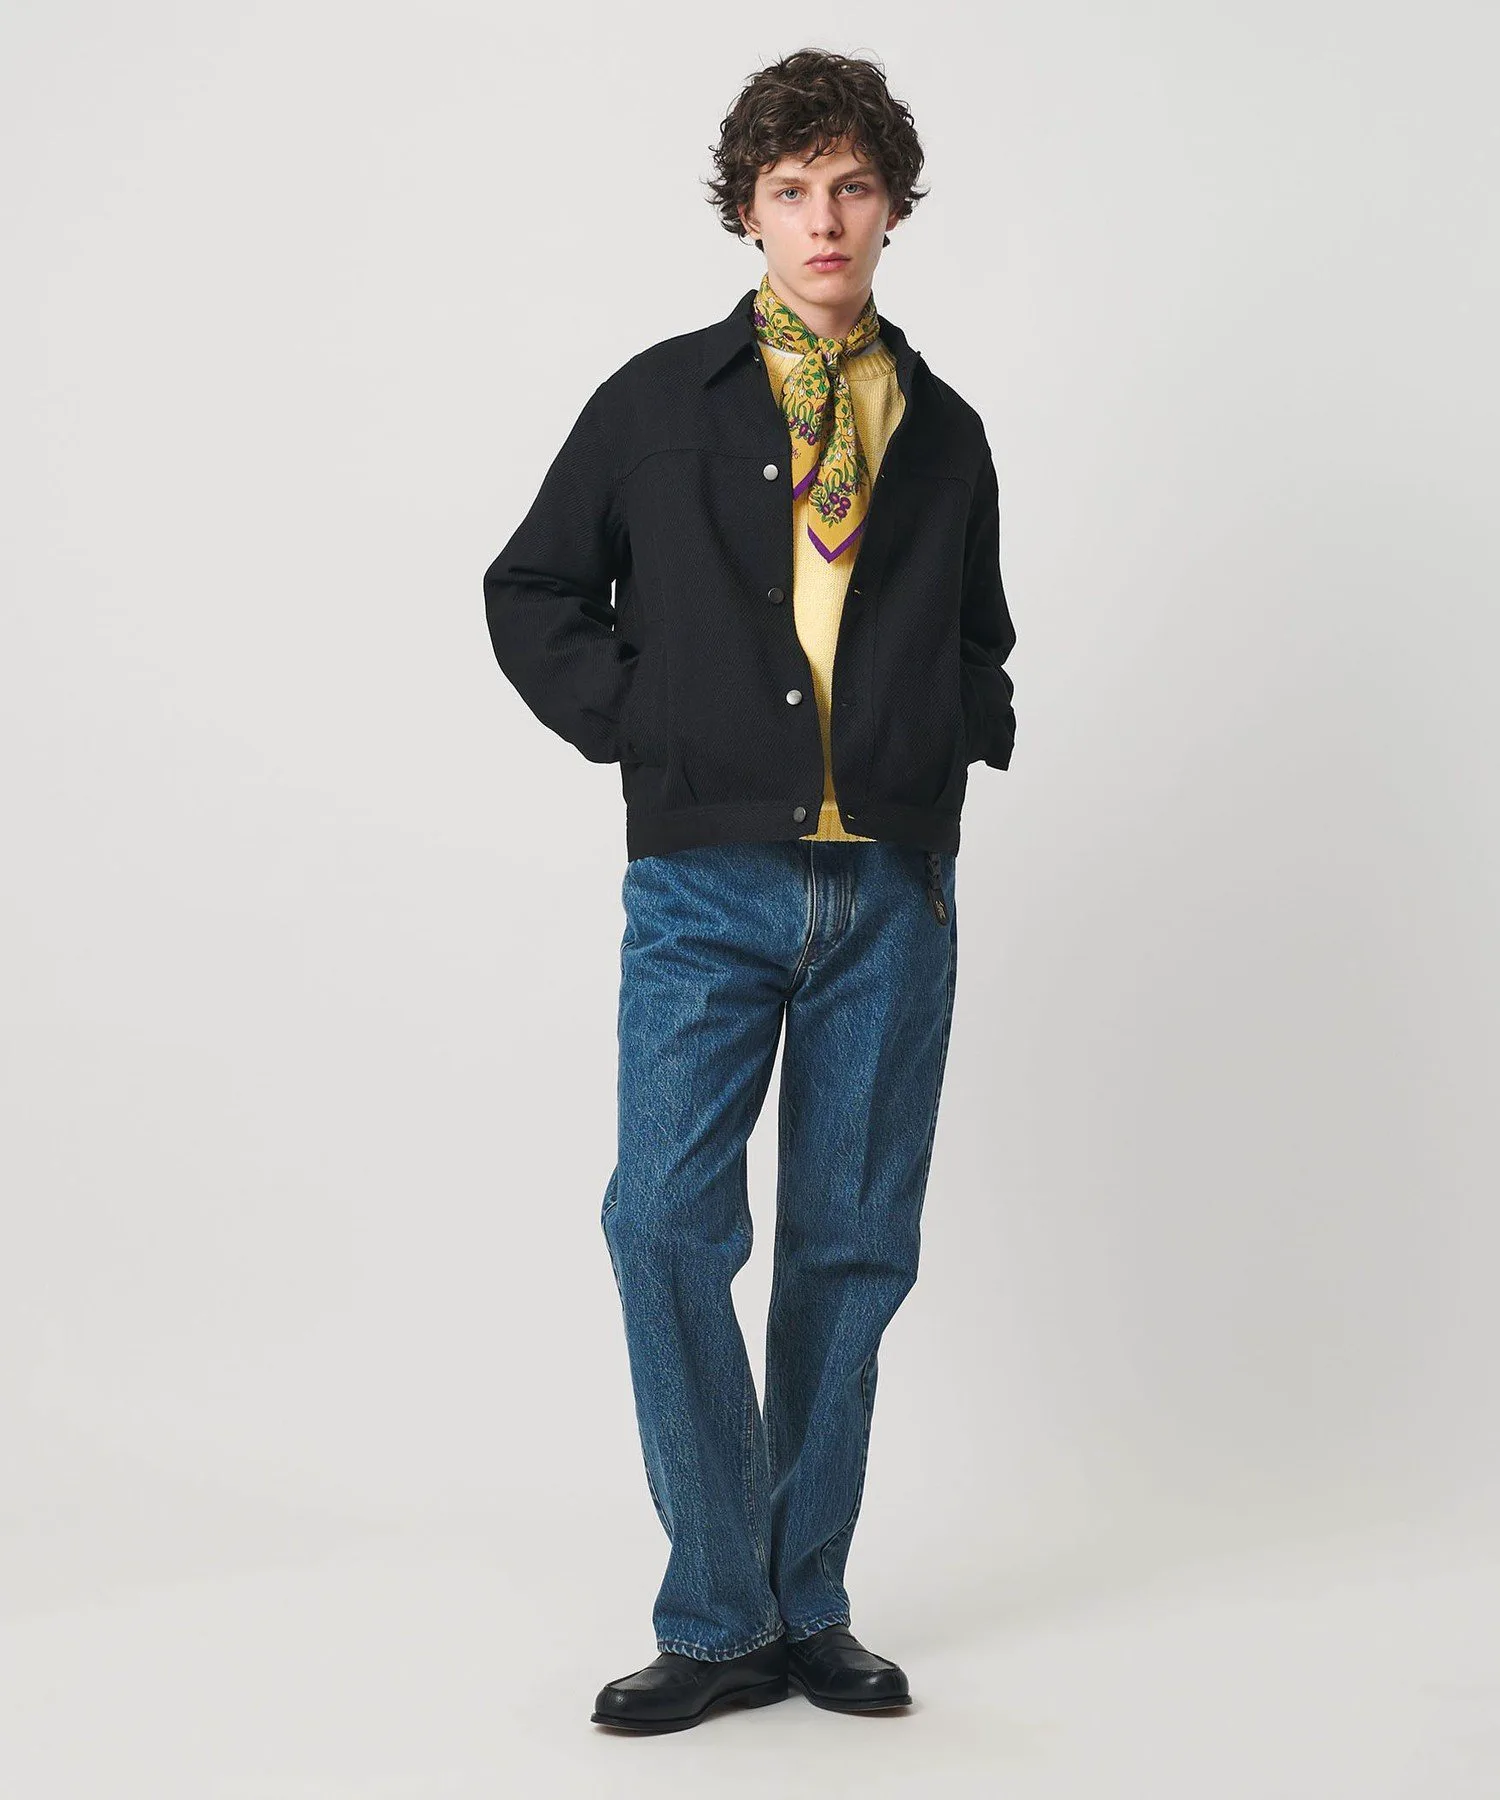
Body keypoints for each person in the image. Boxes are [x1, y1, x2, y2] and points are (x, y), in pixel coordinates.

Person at [483, 47, 1017, 1733]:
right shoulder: (657, 404)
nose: (824, 218)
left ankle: (807, 1606)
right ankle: (719, 1613)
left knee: (850, 1252)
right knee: (661, 1225)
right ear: (749, 212)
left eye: (852, 185)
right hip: (705, 888)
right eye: (792, 190)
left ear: (893, 206)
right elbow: (532, 588)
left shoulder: (945, 430)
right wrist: (651, 726)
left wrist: (952, 741)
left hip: (891, 897)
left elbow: (978, 634)